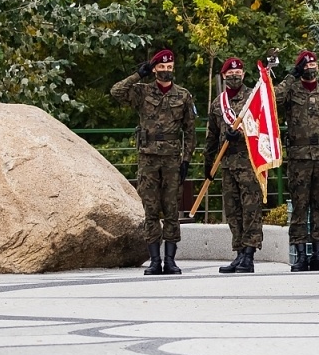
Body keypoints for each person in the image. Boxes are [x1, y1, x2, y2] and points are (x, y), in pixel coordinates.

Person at [111, 50, 195, 275]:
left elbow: (190, 131)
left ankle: (170, 260)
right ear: (155, 69)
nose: (166, 71)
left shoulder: (183, 96)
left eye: (170, 67)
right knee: (150, 211)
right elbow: (117, 91)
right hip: (148, 159)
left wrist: (186, 160)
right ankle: (155, 261)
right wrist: (138, 75)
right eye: (162, 67)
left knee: (171, 210)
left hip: (171, 160)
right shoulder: (142, 91)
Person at [276, 50, 319, 271]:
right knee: (300, 207)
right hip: (299, 157)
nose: (311, 68)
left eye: (314, 65)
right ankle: (300, 255)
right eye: (306, 65)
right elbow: (274, 99)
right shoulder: (291, 90)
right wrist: (291, 74)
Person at [206, 58, 263, 273]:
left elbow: (261, 126)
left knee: (251, 208)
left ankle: (249, 253)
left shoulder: (254, 98)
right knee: (232, 209)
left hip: (249, 162)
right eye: (230, 72)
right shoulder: (218, 103)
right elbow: (211, 135)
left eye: (238, 71)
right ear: (223, 76)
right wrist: (208, 162)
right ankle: (239, 252)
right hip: (227, 163)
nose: (235, 75)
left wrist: (241, 133)